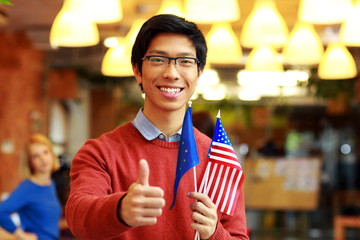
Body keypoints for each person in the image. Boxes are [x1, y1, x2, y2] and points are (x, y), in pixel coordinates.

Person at [65, 14, 249, 240]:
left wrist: (214, 232)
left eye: (185, 61)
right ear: (137, 70)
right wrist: (121, 209)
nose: (171, 73)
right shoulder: (100, 152)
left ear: (199, 73)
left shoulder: (219, 159)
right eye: (158, 59)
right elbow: (78, 216)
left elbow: (239, 236)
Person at [0, 133, 62, 240]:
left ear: (52, 154)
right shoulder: (27, 187)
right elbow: (1, 211)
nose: (43, 158)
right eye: (36, 156)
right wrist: (21, 235)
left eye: (45, 152)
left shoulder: (50, 183)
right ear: (30, 163)